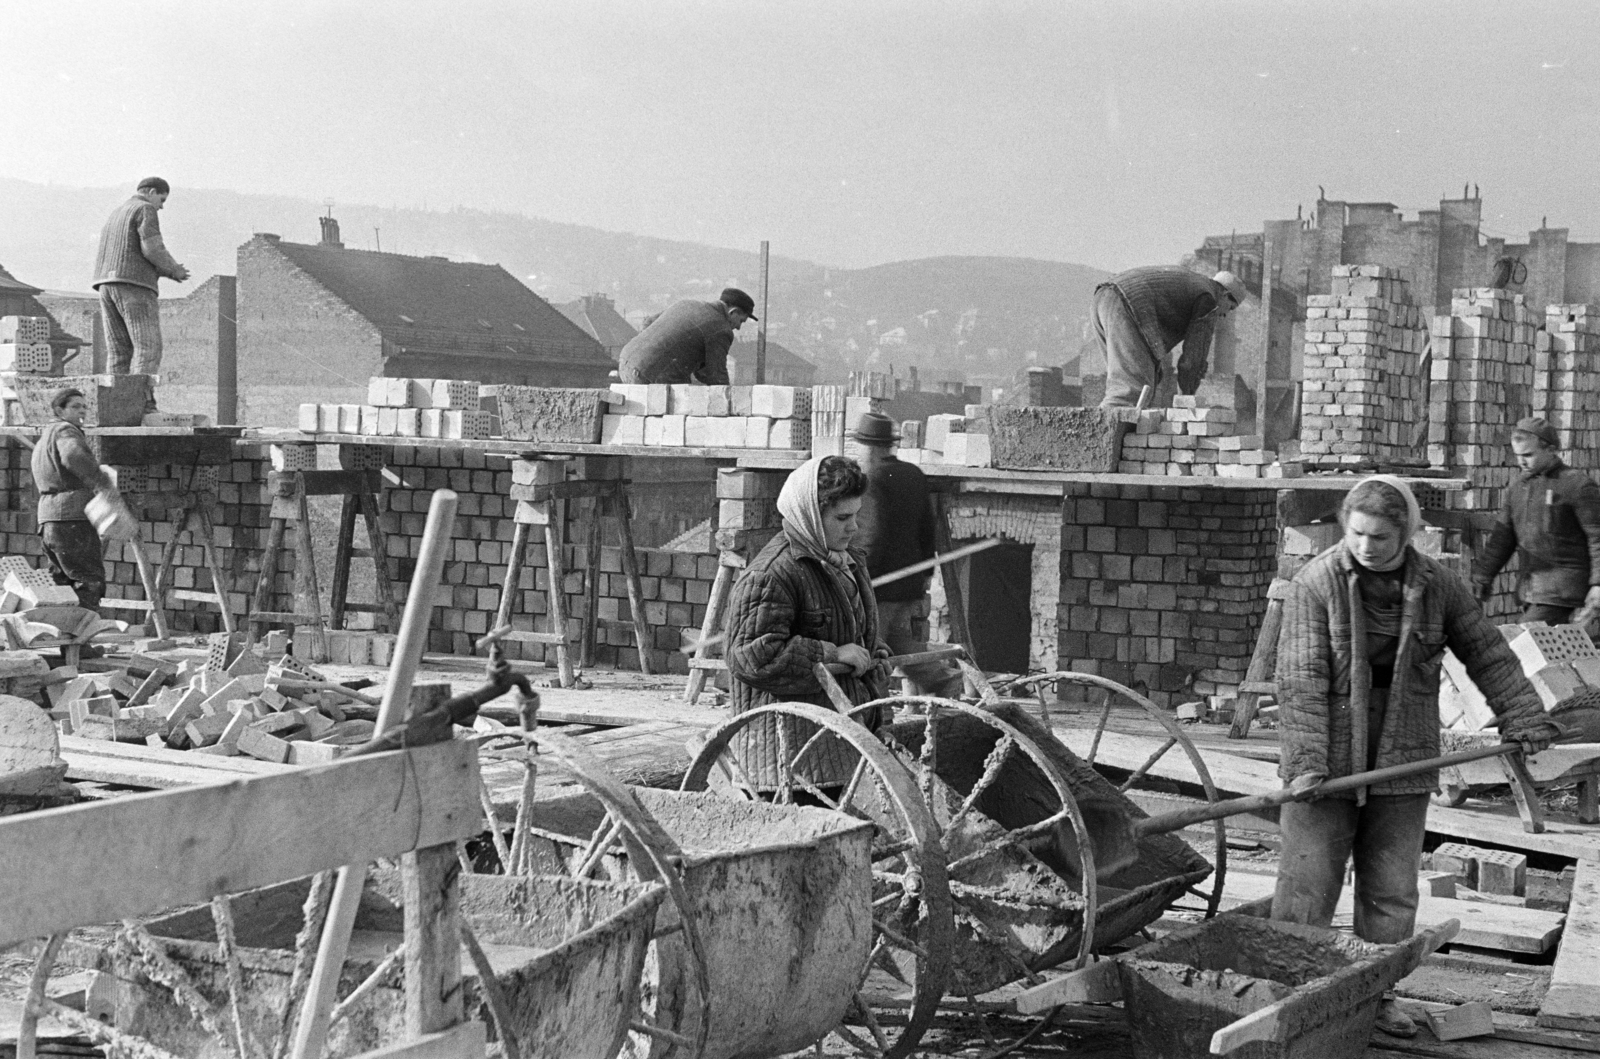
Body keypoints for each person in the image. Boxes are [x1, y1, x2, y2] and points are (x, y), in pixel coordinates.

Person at [1273, 476, 1560, 1038]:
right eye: (1356, 533)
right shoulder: (1317, 582)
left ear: (1406, 533)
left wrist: (1523, 715)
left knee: (1391, 889)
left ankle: (1376, 995)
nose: (1366, 545)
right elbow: (1301, 679)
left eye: (1380, 537)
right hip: (1327, 756)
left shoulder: (1438, 586)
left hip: (1404, 749)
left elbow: (1489, 654)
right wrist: (1306, 762)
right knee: (1306, 885)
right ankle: (1287, 993)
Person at [724, 454, 890, 794]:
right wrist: (834, 653)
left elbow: (850, 632)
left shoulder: (844, 562)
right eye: (842, 517)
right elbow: (754, 657)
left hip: (835, 743)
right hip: (789, 763)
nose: (853, 526)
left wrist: (873, 655)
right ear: (811, 516)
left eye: (856, 515)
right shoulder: (772, 574)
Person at [851, 411, 964, 697]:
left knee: (870, 655)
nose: (859, 452)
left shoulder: (871, 479)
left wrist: (858, 580)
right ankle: (945, 682)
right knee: (903, 648)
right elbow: (929, 529)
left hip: (880, 587)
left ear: (872, 448)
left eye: (861, 446)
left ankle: (878, 715)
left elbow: (870, 536)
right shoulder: (913, 474)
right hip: (909, 584)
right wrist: (926, 574)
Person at [1470, 417, 1600, 626]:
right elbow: (1502, 539)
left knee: (1527, 647)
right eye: (1518, 456)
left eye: (1528, 455)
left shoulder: (1577, 485)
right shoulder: (1518, 488)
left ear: (1550, 450)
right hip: (1531, 590)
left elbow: (1598, 537)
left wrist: (1598, 585)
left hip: (1564, 593)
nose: (1522, 462)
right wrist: (1484, 574)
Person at [93, 177, 191, 414]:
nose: (161, 206)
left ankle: (116, 406)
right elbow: (152, 248)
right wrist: (174, 269)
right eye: (162, 199)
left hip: (106, 285)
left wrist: (165, 272)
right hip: (134, 286)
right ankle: (142, 404)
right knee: (148, 346)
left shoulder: (117, 212)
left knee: (118, 351)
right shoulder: (144, 208)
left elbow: (130, 251)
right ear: (151, 192)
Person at [1092, 267, 1247, 407]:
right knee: (1129, 394)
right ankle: (1102, 436)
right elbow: (1193, 358)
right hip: (1126, 304)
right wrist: (1187, 396)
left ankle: (1101, 431)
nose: (1225, 315)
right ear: (1225, 295)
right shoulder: (1208, 299)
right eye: (1230, 308)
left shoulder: (1194, 282)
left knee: (1136, 380)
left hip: (1102, 298)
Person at [32, 388, 120, 610]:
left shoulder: (45, 436)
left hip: (48, 520)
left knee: (62, 584)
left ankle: (68, 641)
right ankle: (80, 643)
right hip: (71, 519)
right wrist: (102, 482)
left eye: (84, 406)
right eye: (75, 406)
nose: (82, 411)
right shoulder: (65, 430)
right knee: (89, 582)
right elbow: (73, 456)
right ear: (59, 410)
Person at [616, 287, 756, 385]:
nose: (738, 327)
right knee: (684, 405)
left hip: (624, 362)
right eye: (741, 321)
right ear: (733, 312)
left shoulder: (687, 304)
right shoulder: (722, 329)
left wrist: (645, 358)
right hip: (648, 375)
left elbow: (648, 322)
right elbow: (717, 376)